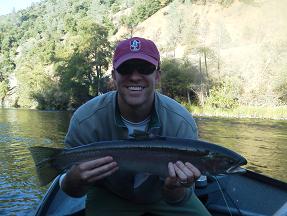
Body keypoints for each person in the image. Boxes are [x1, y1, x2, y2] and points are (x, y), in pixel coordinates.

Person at [61, 37, 211, 216]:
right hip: (110, 195)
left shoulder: (181, 122)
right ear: (114, 76)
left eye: (145, 69)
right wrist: (76, 179)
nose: (134, 76)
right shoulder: (85, 120)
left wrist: (174, 188)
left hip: (162, 198)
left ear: (157, 76)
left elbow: (177, 198)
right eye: (125, 69)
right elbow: (72, 191)